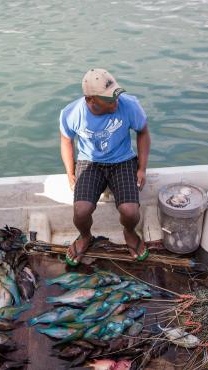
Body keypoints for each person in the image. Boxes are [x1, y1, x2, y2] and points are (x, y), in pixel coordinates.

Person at [60, 68, 151, 265]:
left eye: (116, 95)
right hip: (90, 162)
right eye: (109, 99)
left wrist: (142, 168)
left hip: (123, 160)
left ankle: (129, 232)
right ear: (90, 100)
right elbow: (66, 139)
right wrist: (70, 173)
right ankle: (85, 236)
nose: (116, 102)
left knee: (130, 211)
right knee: (81, 210)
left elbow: (143, 132)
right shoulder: (72, 113)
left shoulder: (129, 105)